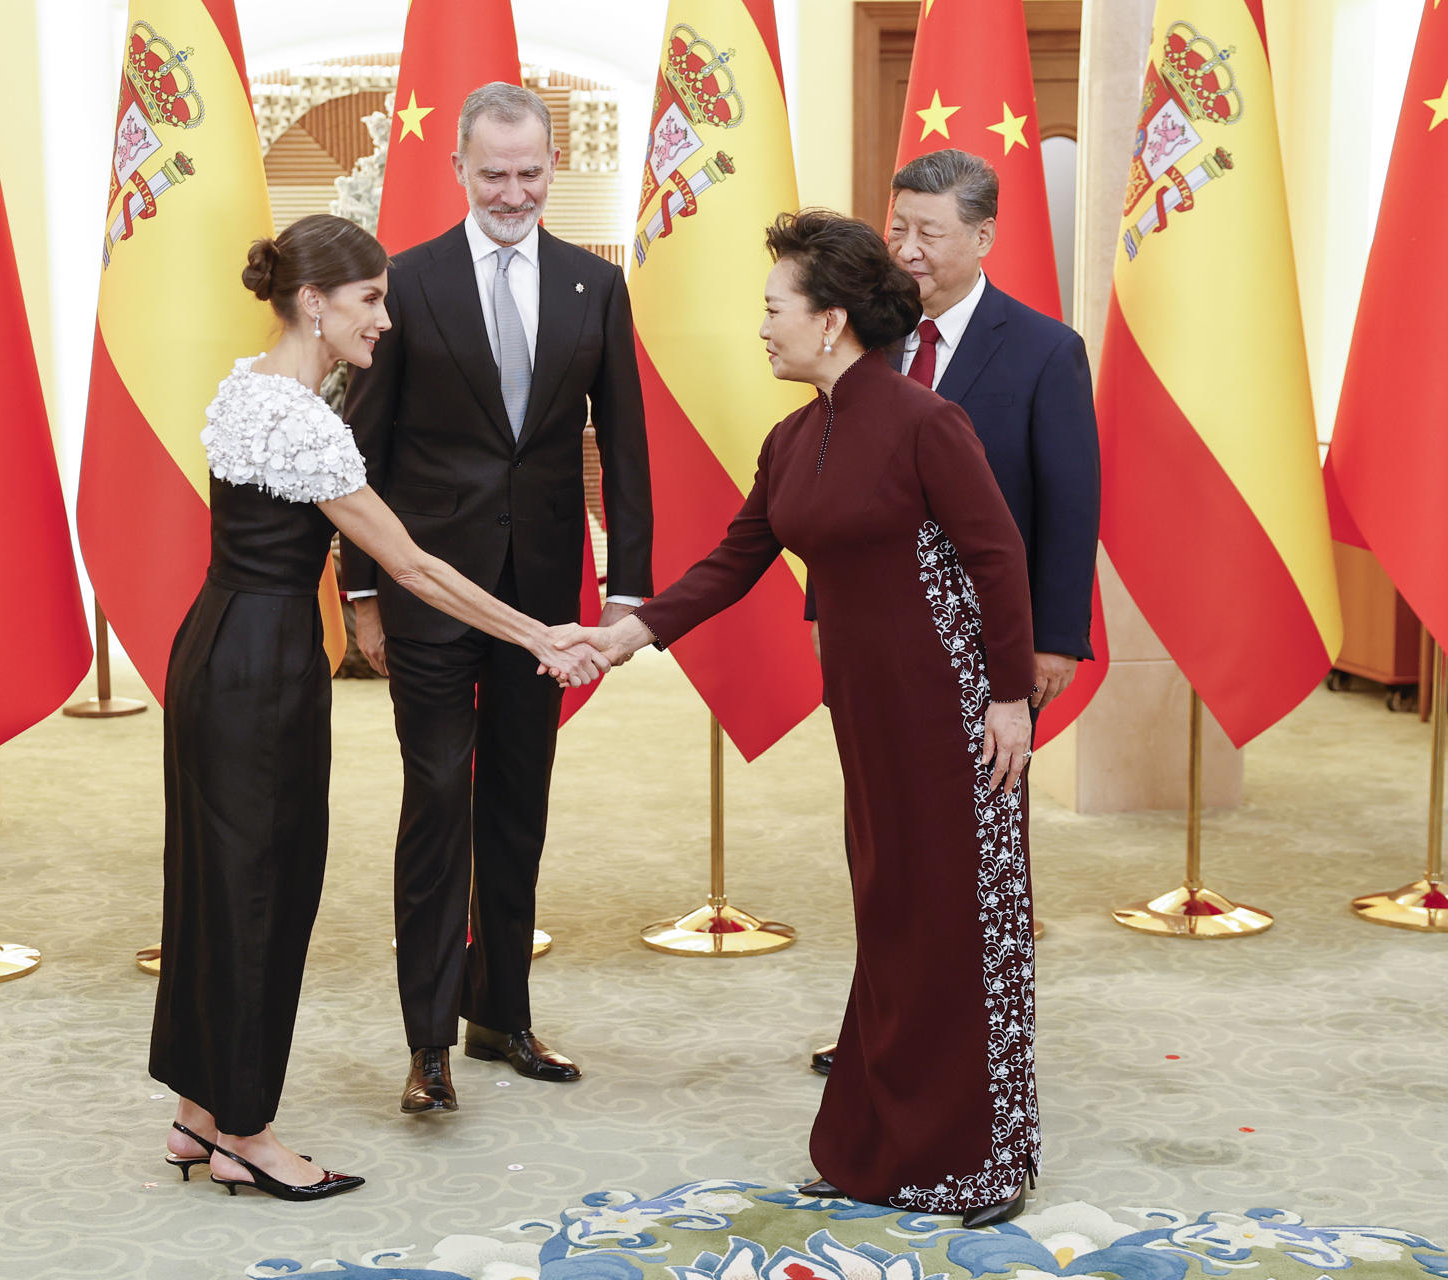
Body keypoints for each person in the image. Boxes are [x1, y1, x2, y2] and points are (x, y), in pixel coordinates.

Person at [573, 210, 1038, 1227]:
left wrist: (1009, 697)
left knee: (960, 920)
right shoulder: (793, 438)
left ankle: (981, 1156)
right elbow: (734, 561)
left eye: (774, 309)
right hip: (869, 709)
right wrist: (625, 634)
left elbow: (999, 558)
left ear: (830, 322)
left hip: (957, 707)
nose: (763, 328)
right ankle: (880, 1144)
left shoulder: (925, 421)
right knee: (890, 911)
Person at [151, 214, 606, 1202]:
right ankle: (248, 1132)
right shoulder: (307, 418)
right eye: (370, 300)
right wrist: (537, 633)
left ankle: (199, 1110)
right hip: (263, 663)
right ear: (315, 301)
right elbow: (413, 565)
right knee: (264, 888)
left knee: (209, 879)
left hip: (212, 645)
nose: (386, 321)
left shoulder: (247, 386)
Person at [341, 82, 653, 1115]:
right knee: (439, 804)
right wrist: (360, 593)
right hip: (430, 596)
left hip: (544, 604)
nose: (513, 191)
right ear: (459, 171)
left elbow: (628, 444)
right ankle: (426, 1043)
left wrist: (628, 590)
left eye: (530, 173)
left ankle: (499, 1016)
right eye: (494, 174)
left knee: (519, 803)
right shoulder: (406, 282)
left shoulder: (591, 287)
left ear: (552, 168)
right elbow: (362, 451)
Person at [808, 147, 1100, 1078]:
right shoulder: (869, 340)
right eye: (898, 229)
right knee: (884, 847)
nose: (908, 249)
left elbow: (1068, 502)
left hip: (987, 645)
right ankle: (884, 1031)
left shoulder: (1046, 349)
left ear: (982, 236)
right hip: (878, 644)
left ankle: (967, 1049)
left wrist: (1051, 642)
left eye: (928, 233)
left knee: (968, 859)